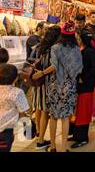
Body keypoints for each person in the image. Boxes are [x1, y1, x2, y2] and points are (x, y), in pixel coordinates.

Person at [33, 21, 83, 152]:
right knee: (66, 118)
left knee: (54, 116)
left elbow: (54, 67)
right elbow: (79, 68)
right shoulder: (76, 49)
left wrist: (42, 73)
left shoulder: (56, 48)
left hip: (55, 86)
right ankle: (64, 147)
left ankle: (53, 147)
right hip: (70, 86)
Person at [30, 25, 61, 150]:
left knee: (39, 108)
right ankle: (41, 139)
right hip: (48, 83)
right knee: (45, 112)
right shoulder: (54, 49)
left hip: (38, 83)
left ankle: (38, 134)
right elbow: (54, 66)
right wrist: (43, 72)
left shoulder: (39, 47)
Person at [71, 29, 95, 148]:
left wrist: (83, 77)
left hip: (86, 86)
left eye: (79, 38)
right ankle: (77, 135)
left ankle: (83, 138)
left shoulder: (89, 52)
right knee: (79, 110)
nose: (77, 40)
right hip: (81, 85)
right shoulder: (83, 50)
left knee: (83, 111)